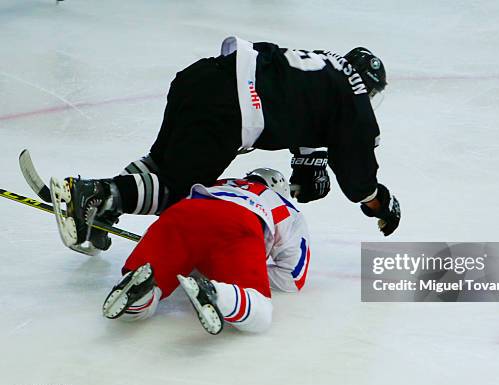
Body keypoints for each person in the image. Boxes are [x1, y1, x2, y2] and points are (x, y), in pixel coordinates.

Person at [49, 36, 400, 255]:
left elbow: (305, 117)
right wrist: (378, 204)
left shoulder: (325, 67)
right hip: (233, 108)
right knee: (177, 191)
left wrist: (310, 162)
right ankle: (93, 194)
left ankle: (108, 206)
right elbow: (357, 171)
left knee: (164, 164)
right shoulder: (354, 97)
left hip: (202, 77)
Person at [101, 168, 309, 335]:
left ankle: (141, 290)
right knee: (261, 314)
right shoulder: (282, 204)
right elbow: (292, 277)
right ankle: (219, 294)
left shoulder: (217, 183)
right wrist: (222, 270)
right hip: (236, 222)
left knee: (144, 302)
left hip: (181, 212)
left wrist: (176, 260)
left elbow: (165, 226)